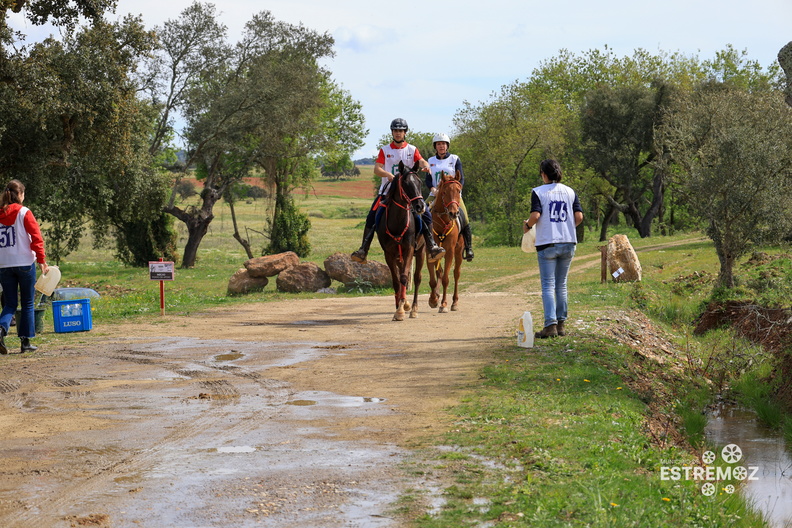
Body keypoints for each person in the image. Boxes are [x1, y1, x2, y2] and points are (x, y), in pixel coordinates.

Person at [351, 118, 445, 263]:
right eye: (395, 130)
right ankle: (363, 249)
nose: (398, 133)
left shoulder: (412, 149)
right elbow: (377, 168)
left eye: (401, 131)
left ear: (405, 133)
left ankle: (432, 246)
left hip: (409, 192)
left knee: (425, 213)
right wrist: (388, 175)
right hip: (388, 190)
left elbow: (420, 160)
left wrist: (425, 165)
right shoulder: (385, 150)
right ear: (392, 132)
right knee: (372, 215)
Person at [523, 159, 583, 339]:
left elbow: (536, 215)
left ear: (544, 174)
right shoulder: (570, 191)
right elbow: (578, 216)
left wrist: (527, 225)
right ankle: (561, 324)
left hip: (548, 243)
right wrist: (567, 227)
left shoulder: (538, 192)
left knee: (548, 285)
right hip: (568, 241)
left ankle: (550, 326)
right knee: (561, 285)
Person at [0, 180, 49, 354]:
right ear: (19, 195)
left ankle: (1, 330)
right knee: (27, 302)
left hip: (4, 264)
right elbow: (36, 237)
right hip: (25, 263)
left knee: (10, 303)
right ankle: (25, 342)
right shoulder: (24, 212)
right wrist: (42, 260)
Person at [426, 133, 474, 261]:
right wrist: (432, 189)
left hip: (452, 195)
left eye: (443, 144)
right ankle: (417, 244)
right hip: (435, 194)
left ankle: (468, 248)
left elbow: (461, 178)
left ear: (447, 146)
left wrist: (456, 191)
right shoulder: (430, 161)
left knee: (464, 217)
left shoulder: (454, 159)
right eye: (438, 144)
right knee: (420, 214)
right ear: (435, 146)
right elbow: (428, 179)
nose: (441, 146)